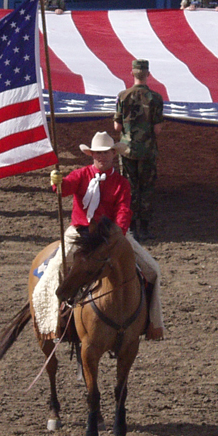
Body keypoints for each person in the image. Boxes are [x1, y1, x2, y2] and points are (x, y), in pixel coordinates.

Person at [49, 132, 164, 339]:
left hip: (112, 235)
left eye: (105, 153)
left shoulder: (121, 183)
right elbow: (66, 187)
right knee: (57, 266)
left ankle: (153, 324)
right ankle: (54, 322)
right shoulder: (81, 174)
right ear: (91, 155)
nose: (101, 157)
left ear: (113, 154)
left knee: (153, 270)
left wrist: (116, 236)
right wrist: (57, 182)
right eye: (97, 153)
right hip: (81, 232)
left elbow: (123, 212)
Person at [113, 58, 164, 240]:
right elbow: (157, 129)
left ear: (132, 73)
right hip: (148, 150)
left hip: (127, 150)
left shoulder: (123, 96)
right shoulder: (156, 98)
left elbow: (117, 128)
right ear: (148, 74)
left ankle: (132, 226)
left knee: (129, 187)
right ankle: (146, 227)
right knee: (147, 188)